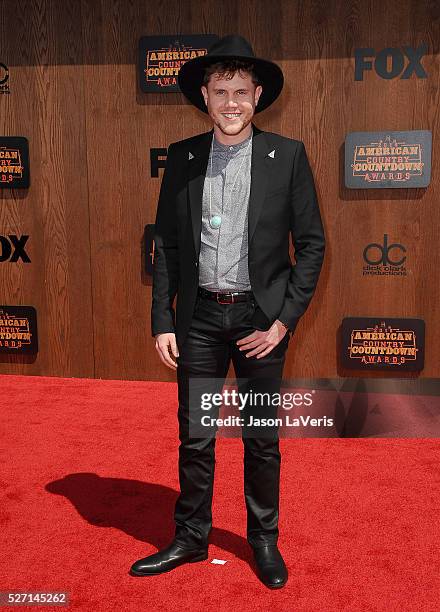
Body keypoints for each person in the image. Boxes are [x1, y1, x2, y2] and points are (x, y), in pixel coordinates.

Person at [130, 34, 325, 589]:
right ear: (206, 97)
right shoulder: (185, 156)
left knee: (261, 435)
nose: (232, 102)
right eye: (222, 92)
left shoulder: (286, 155)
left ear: (258, 95)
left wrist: (283, 320)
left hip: (260, 322)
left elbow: (310, 244)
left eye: (242, 91)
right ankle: (191, 538)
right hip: (198, 322)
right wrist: (163, 320)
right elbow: (166, 244)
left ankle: (263, 539)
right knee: (196, 436)